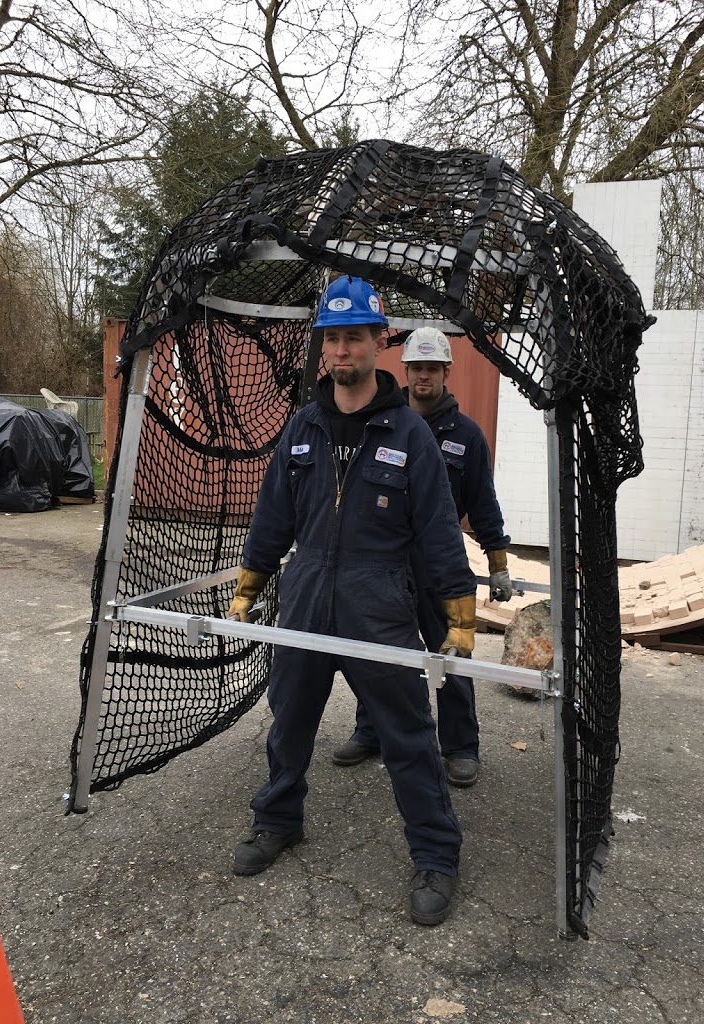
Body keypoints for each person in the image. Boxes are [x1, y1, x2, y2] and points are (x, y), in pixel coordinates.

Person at [228, 277, 478, 926]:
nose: (342, 350)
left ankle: (436, 855)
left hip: (380, 599)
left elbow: (440, 532)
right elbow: (271, 519)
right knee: (289, 722)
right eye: (332, 339)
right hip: (307, 591)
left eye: (355, 338)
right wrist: (250, 588)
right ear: (324, 348)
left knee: (407, 736)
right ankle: (278, 820)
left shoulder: (409, 434)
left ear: (377, 343)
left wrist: (459, 616)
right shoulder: (303, 429)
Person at [333, 327, 512, 788]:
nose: (423, 377)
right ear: (406, 371)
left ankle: (459, 748)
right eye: (416, 369)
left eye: (432, 369)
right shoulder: (383, 425)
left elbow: (483, 503)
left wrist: (498, 564)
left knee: (451, 654)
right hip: (387, 564)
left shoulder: (466, 437)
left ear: (446, 372)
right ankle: (371, 731)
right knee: (379, 655)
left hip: (438, 566)